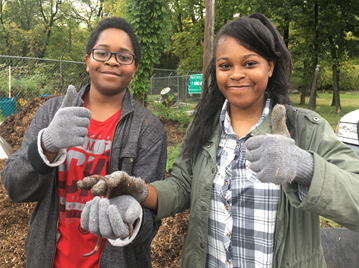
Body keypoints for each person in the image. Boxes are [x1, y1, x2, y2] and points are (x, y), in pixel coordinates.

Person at [138, 13, 359, 268]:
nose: (236, 74)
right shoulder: (205, 128)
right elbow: (183, 185)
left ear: (270, 66)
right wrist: (142, 192)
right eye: (225, 66)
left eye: (250, 63)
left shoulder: (305, 130)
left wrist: (303, 167)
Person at [1, 17, 167, 268]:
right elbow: (15, 186)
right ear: (88, 59)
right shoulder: (51, 113)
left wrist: (129, 219)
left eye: (124, 56)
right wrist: (46, 145)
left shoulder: (149, 130)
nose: (112, 60)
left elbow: (150, 221)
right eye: (102, 53)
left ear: (134, 68)